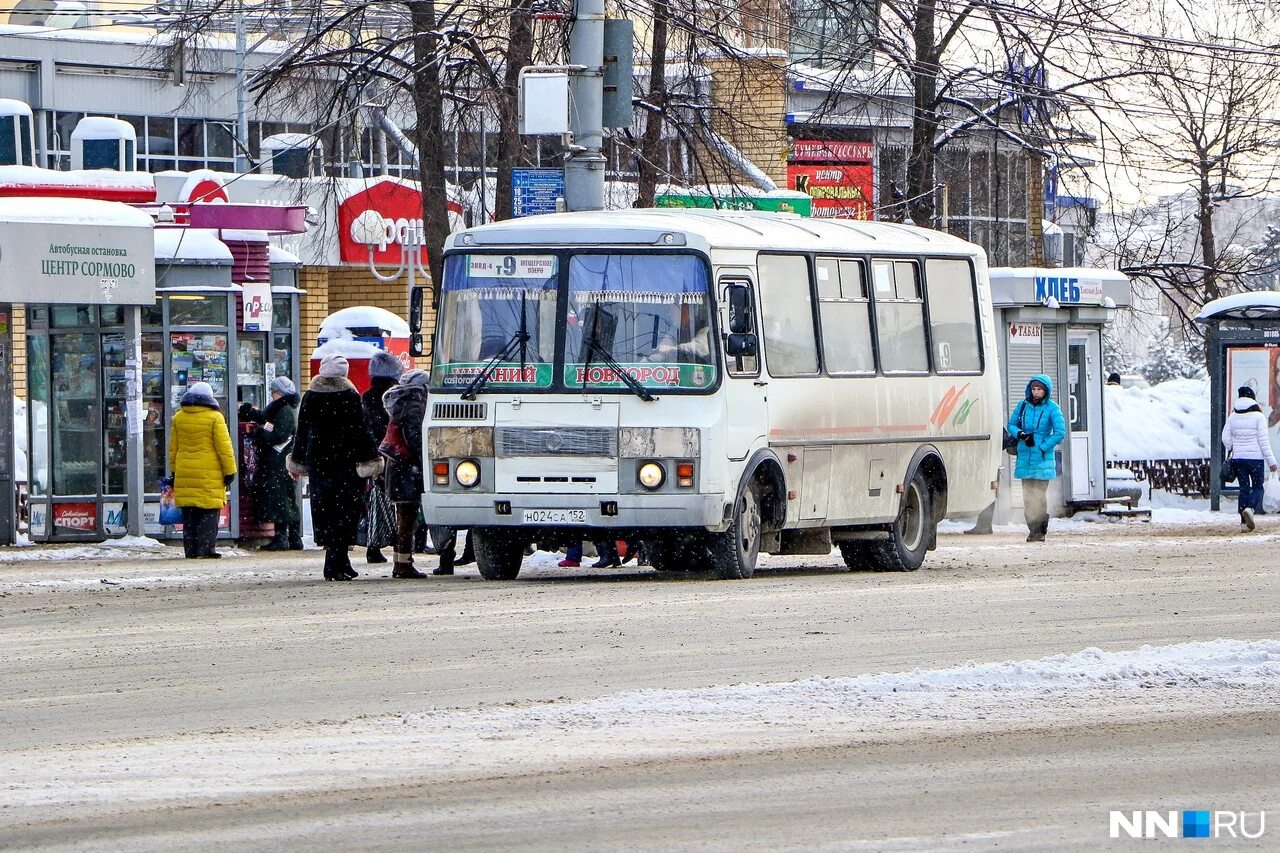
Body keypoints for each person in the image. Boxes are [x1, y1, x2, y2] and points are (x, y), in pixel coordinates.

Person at [288, 355, 382, 581]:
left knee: (327, 511)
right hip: (345, 462)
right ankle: (333, 563)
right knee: (346, 511)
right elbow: (361, 430)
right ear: (344, 374)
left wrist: (298, 459)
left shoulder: (310, 396)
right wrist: (372, 457)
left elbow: (302, 431)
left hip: (320, 462)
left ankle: (341, 561)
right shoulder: (349, 396)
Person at [168, 381, 237, 559]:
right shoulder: (215, 417)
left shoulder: (179, 417)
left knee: (190, 514)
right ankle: (206, 549)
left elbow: (173, 448)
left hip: (185, 471)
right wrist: (230, 471)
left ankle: (190, 550)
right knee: (208, 512)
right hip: (209, 472)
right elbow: (224, 448)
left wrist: (175, 471)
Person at [239, 377, 303, 551]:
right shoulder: (282, 408)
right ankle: (293, 538)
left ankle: (283, 538)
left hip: (279, 461)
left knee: (281, 498)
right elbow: (266, 419)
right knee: (285, 498)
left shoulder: (284, 410)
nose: (272, 395)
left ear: (279, 393)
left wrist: (260, 436)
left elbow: (279, 434)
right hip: (281, 461)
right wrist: (251, 413)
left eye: (274, 391)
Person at [381, 368, 430, 578]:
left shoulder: (399, 402)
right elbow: (415, 438)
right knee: (407, 518)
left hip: (397, 466)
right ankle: (403, 564)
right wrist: (424, 462)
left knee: (404, 516)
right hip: (408, 468)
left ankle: (401, 561)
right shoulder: (415, 404)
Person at [1007, 374, 1067, 543]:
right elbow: (1011, 424)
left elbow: (1060, 433)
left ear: (1045, 390)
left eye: (1039, 389)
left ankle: (1039, 531)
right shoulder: (1023, 406)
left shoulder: (1052, 408)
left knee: (1038, 497)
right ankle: (1033, 530)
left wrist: (1042, 446)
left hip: (1042, 459)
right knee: (1027, 497)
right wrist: (1021, 434)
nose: (1035, 392)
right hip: (1025, 457)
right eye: (1033, 388)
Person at [361, 350, 404, 564]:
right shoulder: (393, 396)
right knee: (395, 501)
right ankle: (393, 543)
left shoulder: (367, 397)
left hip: (374, 454)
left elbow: (367, 426)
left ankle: (374, 544)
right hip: (391, 453)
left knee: (377, 501)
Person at [1221, 385, 1277, 531]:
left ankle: (1244, 524)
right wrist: (1272, 462)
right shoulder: (1259, 416)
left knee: (1244, 489)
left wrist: (1234, 447)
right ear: (1253, 399)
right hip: (1255, 459)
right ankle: (1250, 509)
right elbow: (1264, 442)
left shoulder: (1232, 416)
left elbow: (1225, 438)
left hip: (1238, 459)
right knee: (1258, 487)